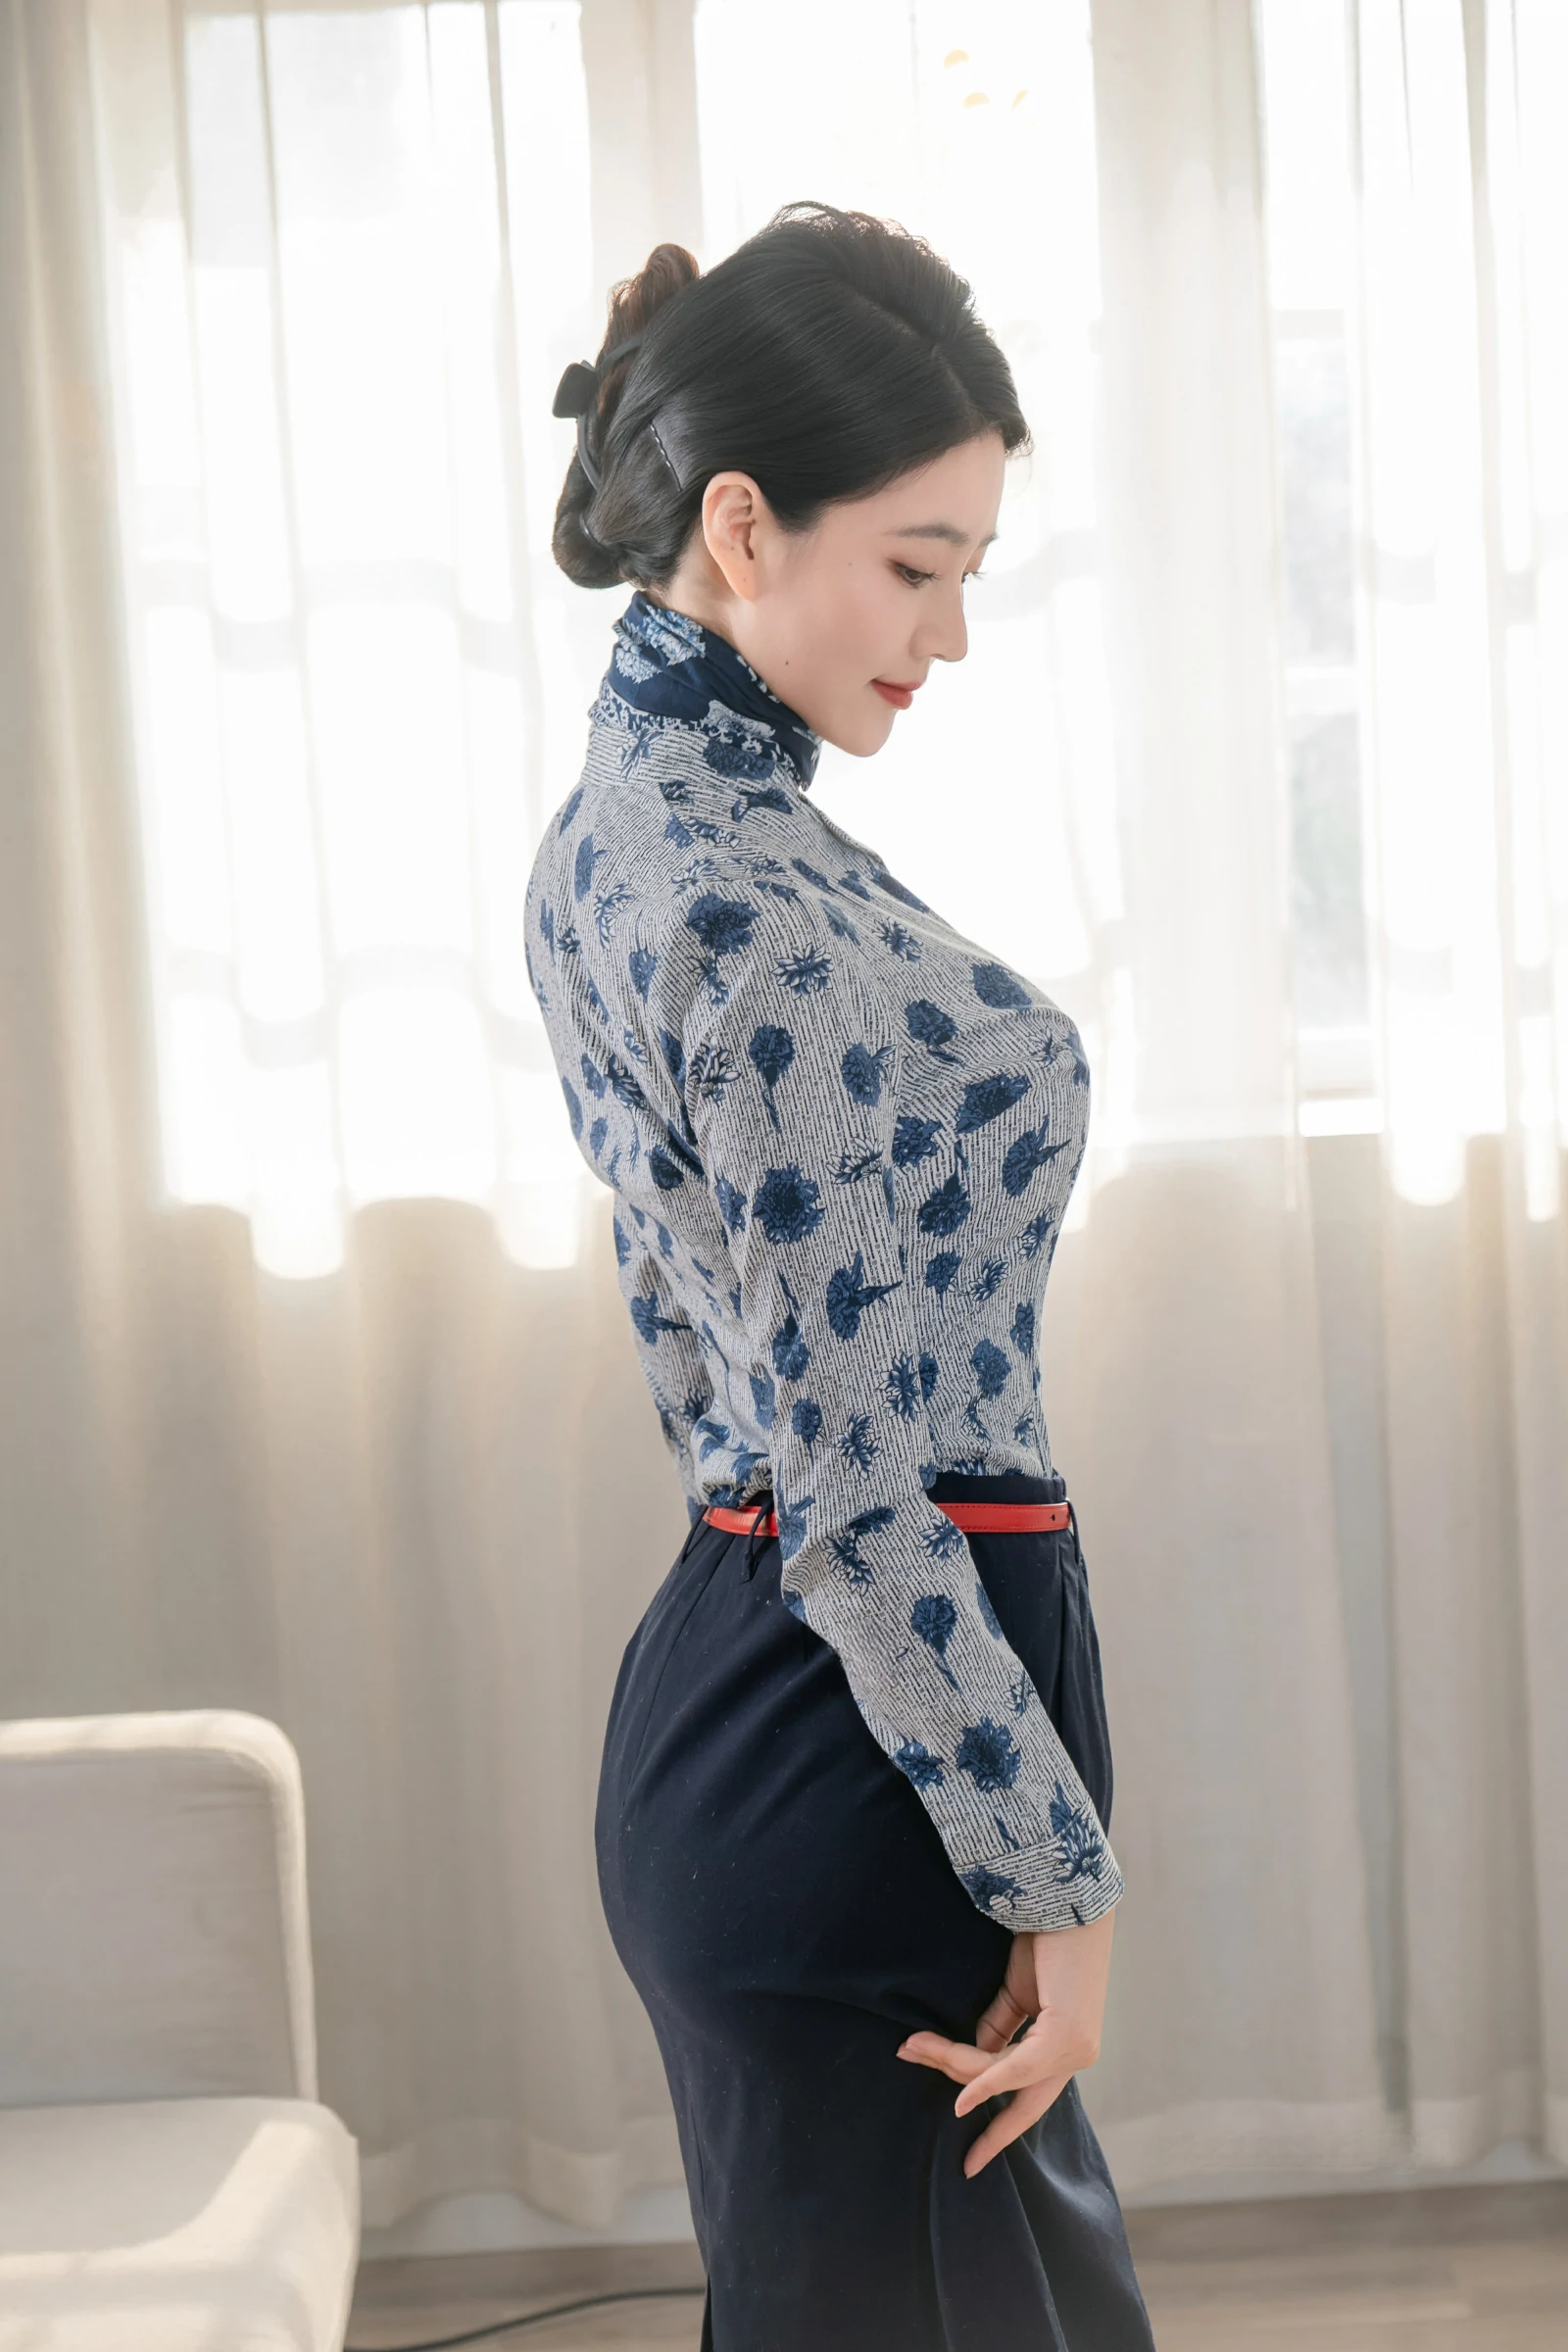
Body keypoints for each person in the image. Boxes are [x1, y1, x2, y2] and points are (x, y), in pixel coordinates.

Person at [527, 203, 1155, 2351]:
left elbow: (701, 1360)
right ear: (740, 524)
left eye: (966, 573)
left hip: (773, 1706)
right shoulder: (752, 915)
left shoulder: (621, 836)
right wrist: (1056, 1880)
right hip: (865, 1757)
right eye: (914, 566)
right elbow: (863, 1503)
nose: (947, 635)